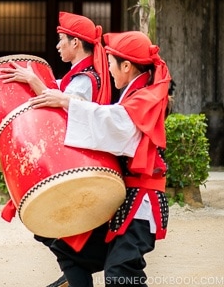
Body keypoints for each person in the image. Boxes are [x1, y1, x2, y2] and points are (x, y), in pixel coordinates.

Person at [28, 31, 171, 287]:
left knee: (121, 274)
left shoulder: (142, 99)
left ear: (126, 66)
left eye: (110, 63)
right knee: (67, 246)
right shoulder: (134, 94)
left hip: (140, 205)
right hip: (124, 200)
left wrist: (66, 101)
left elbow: (114, 123)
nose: (107, 69)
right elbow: (108, 117)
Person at [0, 12, 111, 287]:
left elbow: (62, 107)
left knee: (52, 229)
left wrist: (32, 79)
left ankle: (76, 278)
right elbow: (57, 94)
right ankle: (75, 277)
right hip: (74, 164)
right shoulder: (78, 76)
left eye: (62, 40)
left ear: (76, 43)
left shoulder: (85, 79)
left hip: (76, 165)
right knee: (57, 232)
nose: (58, 45)